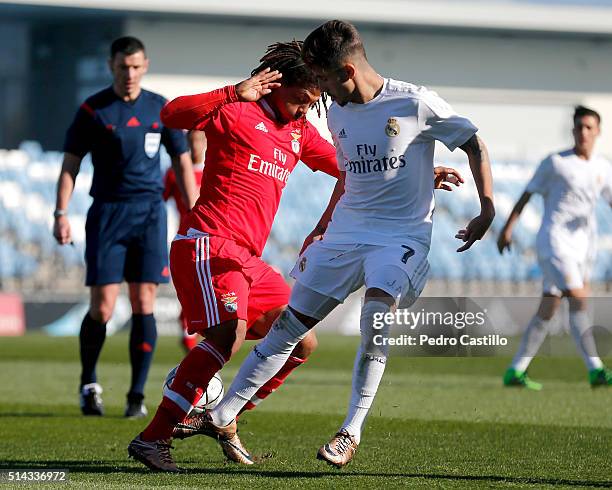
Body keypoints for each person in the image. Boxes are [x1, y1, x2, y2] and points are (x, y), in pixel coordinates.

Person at [127, 40, 463, 472]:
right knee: (226, 336)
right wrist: (233, 91)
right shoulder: (237, 110)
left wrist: (416, 171)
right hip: (208, 244)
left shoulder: (299, 132)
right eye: (302, 99)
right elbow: (171, 115)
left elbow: (347, 167)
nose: (307, 109)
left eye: (313, 102)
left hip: (248, 259)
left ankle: (222, 416)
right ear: (276, 84)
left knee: (302, 341)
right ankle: (154, 438)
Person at [53, 36, 198, 418]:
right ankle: (88, 382)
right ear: (111, 67)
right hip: (108, 213)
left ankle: (136, 395)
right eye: (122, 67)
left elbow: (183, 163)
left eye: (135, 67)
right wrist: (60, 213)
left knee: (144, 304)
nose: (129, 74)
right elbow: (71, 163)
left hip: (150, 214)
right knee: (102, 308)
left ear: (145, 65)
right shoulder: (93, 110)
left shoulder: (160, 108)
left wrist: (197, 210)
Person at [498, 105, 612, 389]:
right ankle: (596, 369)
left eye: (588, 127)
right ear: (573, 130)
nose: (583, 132)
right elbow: (527, 194)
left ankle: (516, 371)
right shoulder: (556, 163)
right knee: (579, 297)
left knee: (548, 309)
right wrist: (508, 228)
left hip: (584, 248)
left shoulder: (602, 167)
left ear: (598, 132)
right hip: (554, 243)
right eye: (578, 127)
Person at [163, 130, 207, 352]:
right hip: (187, 240)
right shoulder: (176, 173)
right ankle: (188, 337)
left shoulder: (216, 169)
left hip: (213, 242)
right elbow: (158, 200)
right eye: (191, 141)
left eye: (198, 140)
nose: (195, 146)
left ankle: (197, 342)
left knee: (206, 293)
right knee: (191, 291)